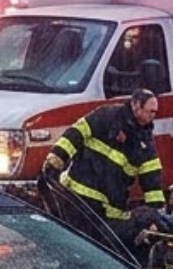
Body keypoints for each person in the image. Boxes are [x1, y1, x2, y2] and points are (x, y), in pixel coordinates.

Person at [41, 89, 165, 245]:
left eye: (155, 112)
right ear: (135, 106)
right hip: (76, 195)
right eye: (150, 111)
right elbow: (77, 132)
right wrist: (57, 157)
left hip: (106, 210)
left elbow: (152, 181)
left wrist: (155, 215)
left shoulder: (145, 144)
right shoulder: (107, 116)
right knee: (71, 243)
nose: (152, 116)